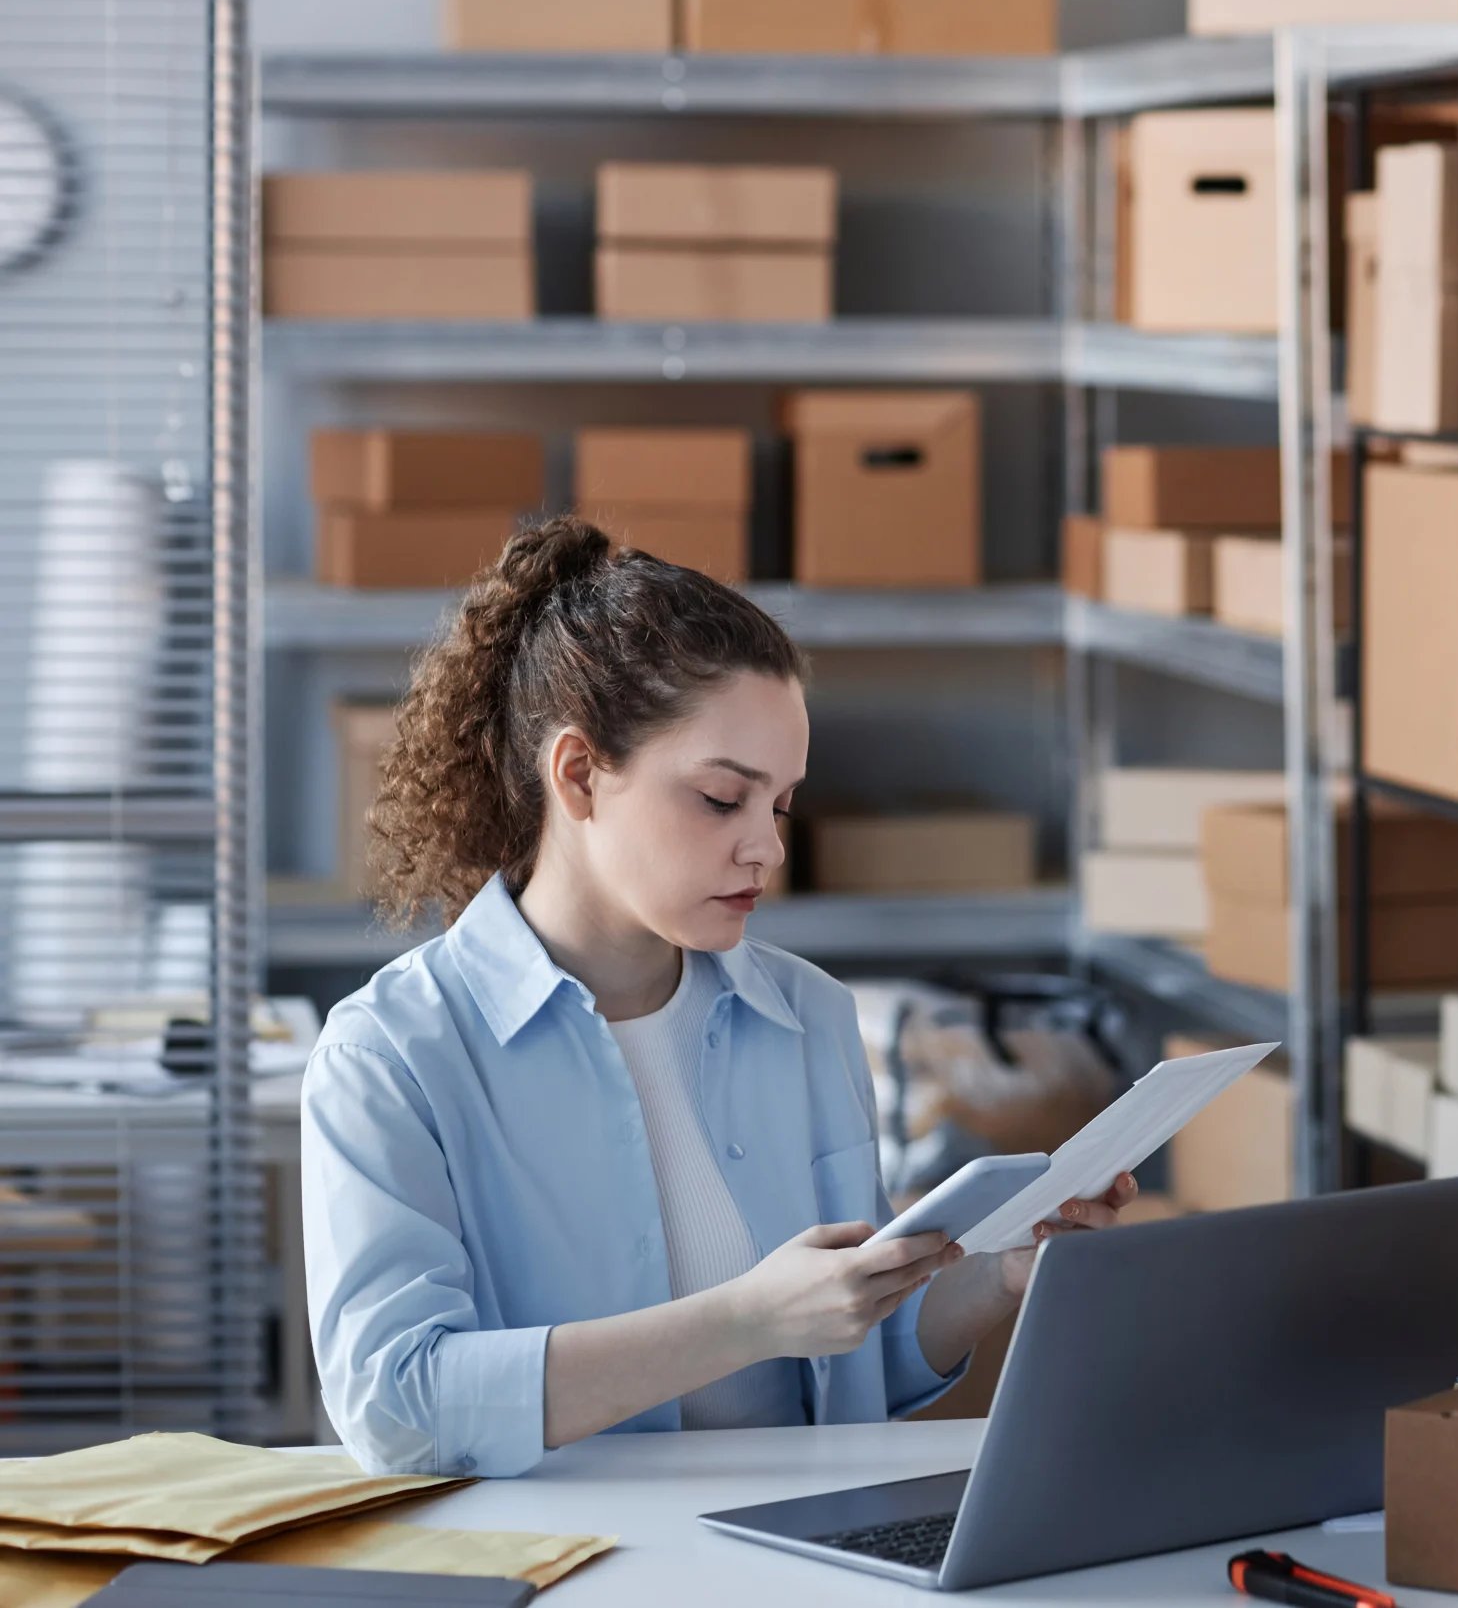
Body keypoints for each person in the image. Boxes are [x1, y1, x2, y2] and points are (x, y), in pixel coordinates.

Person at [302, 516, 1134, 1478]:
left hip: (803, 1553)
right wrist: (745, 1320)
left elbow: (855, 1361)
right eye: (720, 797)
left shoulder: (808, 1016)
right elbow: (398, 1402)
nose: (767, 848)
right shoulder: (392, 1054)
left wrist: (999, 1275)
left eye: (779, 803)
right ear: (578, 774)